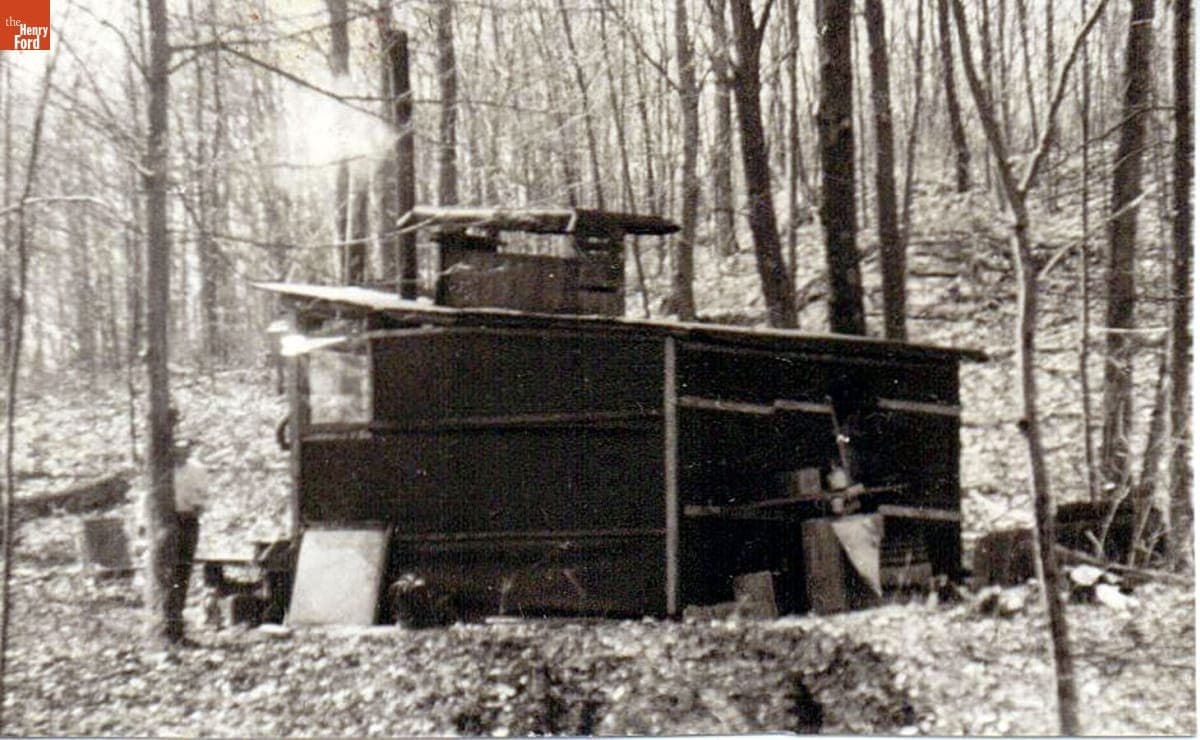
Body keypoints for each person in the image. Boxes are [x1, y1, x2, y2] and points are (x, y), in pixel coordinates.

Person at [166, 438, 208, 635]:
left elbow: (202, 498)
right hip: (167, 522)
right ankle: (167, 616)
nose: (181, 453)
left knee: (183, 569)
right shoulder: (163, 470)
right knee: (168, 570)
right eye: (177, 449)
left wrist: (195, 508)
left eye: (185, 449)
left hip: (188, 521)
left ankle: (178, 616)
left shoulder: (197, 470)